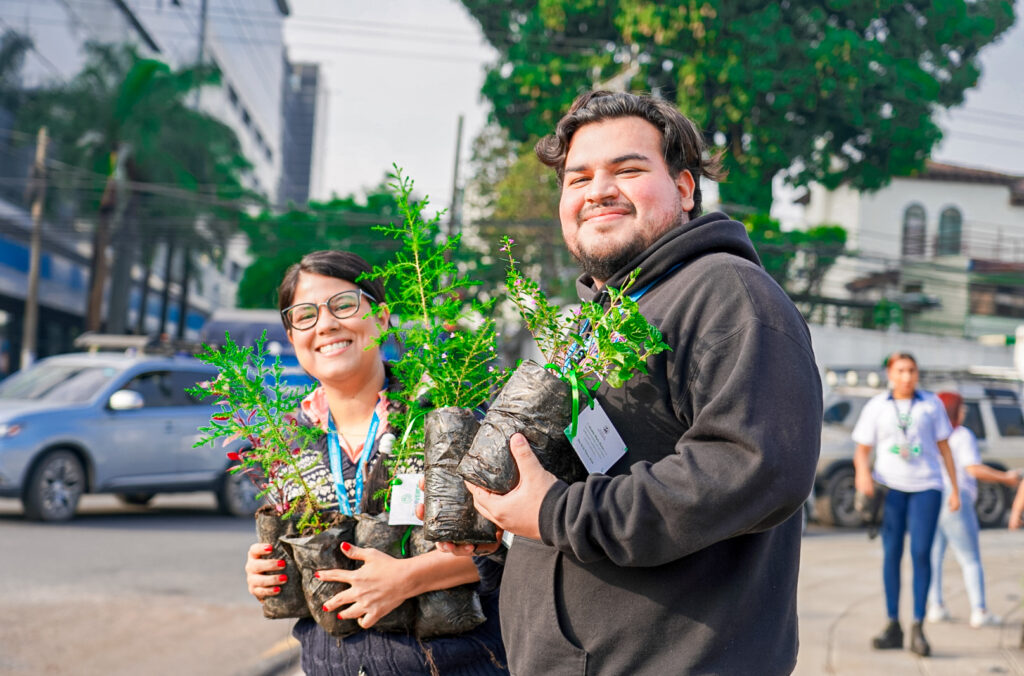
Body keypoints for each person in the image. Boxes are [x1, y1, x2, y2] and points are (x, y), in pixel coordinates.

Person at [441, 91, 822, 674]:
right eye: (578, 178)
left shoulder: (727, 294)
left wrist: (555, 512)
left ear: (685, 188)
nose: (597, 191)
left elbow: (752, 467)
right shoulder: (594, 321)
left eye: (628, 169)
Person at [244, 250, 507, 675]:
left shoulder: (448, 414)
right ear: (292, 337)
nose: (326, 324)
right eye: (304, 315)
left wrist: (408, 578)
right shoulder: (287, 441)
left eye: (344, 305)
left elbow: (515, 546)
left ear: (382, 318)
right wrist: (265, 574)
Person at [852, 352, 960, 657]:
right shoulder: (877, 406)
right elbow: (862, 450)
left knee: (922, 553)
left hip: (926, 487)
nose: (907, 376)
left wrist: (955, 490)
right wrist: (863, 475)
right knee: (891, 554)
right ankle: (892, 625)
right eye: (900, 370)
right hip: (890, 488)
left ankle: (918, 626)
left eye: (912, 370)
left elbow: (945, 449)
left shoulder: (931, 404)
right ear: (890, 373)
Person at [927, 390, 1020, 628]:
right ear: (953, 410)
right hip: (957, 498)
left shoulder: (930, 435)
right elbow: (973, 469)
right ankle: (979, 609)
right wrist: (1005, 478)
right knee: (970, 559)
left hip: (931, 497)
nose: (965, 411)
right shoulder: (962, 435)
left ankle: (936, 606)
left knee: (934, 556)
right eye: (962, 406)